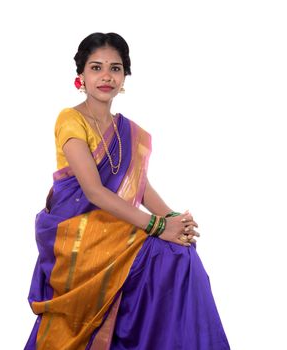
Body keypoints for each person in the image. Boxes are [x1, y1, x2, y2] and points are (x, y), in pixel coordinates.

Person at [25, 32, 230, 350]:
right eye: (96, 67)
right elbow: (93, 191)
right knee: (165, 254)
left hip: (116, 227)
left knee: (182, 253)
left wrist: (173, 218)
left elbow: (139, 184)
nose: (106, 76)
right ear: (80, 75)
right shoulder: (71, 120)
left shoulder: (128, 131)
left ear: (124, 78)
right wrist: (159, 226)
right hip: (78, 234)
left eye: (115, 68)